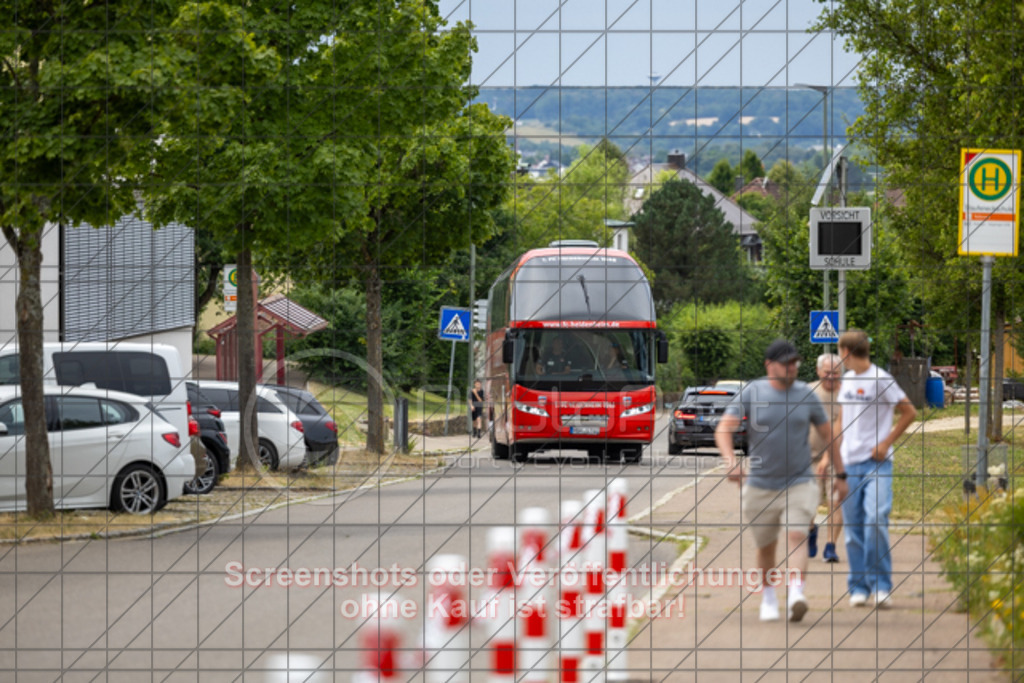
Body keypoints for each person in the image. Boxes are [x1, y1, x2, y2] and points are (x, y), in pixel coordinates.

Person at [715, 339, 847, 623]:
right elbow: (724, 429)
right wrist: (731, 461)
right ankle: (769, 597)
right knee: (766, 547)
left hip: (799, 481)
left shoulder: (806, 394)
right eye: (786, 363)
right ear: (769, 365)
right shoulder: (753, 391)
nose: (792, 368)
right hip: (760, 486)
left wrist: (841, 474)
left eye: (795, 363)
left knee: (797, 536)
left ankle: (796, 593)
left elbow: (829, 435)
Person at [835, 329, 916, 609]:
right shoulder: (847, 381)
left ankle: (881, 585)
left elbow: (909, 412)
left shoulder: (881, 379)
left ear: (845, 352)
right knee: (853, 527)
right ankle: (858, 586)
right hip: (849, 461)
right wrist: (830, 457)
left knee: (875, 518)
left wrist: (886, 442)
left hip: (878, 463)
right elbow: (841, 421)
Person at [808, 353, 845, 563]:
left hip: (837, 459)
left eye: (836, 373)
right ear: (818, 371)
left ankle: (831, 546)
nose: (831, 377)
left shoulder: (846, 395)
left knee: (835, 502)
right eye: (827, 372)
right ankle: (811, 531)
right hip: (809, 458)